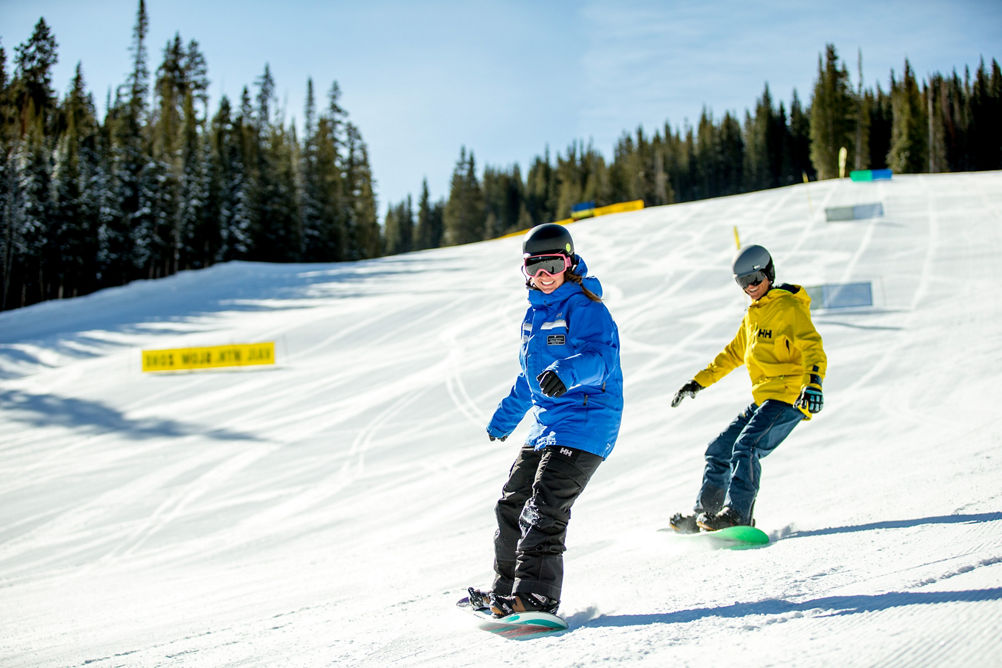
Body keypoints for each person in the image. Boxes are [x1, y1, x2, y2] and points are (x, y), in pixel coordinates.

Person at [467, 223, 624, 618]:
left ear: (569, 264)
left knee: (545, 505)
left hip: (587, 420)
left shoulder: (587, 307)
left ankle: (536, 596)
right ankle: (507, 592)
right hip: (547, 425)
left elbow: (602, 360)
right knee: (511, 504)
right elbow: (529, 376)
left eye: (552, 266)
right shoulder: (533, 316)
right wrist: (504, 419)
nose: (543, 277)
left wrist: (568, 373)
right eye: (534, 269)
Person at [668, 244, 827, 532]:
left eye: (754, 280)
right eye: (743, 282)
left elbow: (812, 347)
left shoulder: (789, 308)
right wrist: (698, 382)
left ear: (769, 274)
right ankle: (706, 515)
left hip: (790, 396)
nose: (750, 288)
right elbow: (733, 354)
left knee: (747, 447)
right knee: (719, 450)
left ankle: (738, 514)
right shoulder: (754, 313)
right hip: (765, 398)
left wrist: (813, 383)